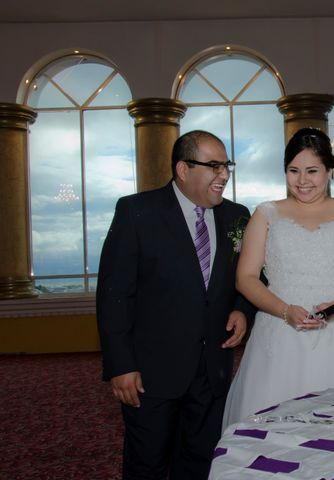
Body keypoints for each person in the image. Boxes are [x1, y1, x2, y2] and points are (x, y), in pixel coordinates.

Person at [96, 130, 254, 479]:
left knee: (202, 460)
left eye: (226, 165)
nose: (224, 174)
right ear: (183, 169)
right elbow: (115, 295)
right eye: (214, 166)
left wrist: (243, 308)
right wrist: (120, 365)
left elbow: (252, 276)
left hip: (212, 368)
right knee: (147, 462)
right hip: (151, 374)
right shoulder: (137, 212)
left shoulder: (237, 216)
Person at [222, 127, 334, 428]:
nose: (302, 180)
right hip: (279, 329)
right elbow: (246, 278)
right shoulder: (266, 214)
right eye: (293, 171)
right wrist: (284, 310)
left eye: (312, 171)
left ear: (330, 171)